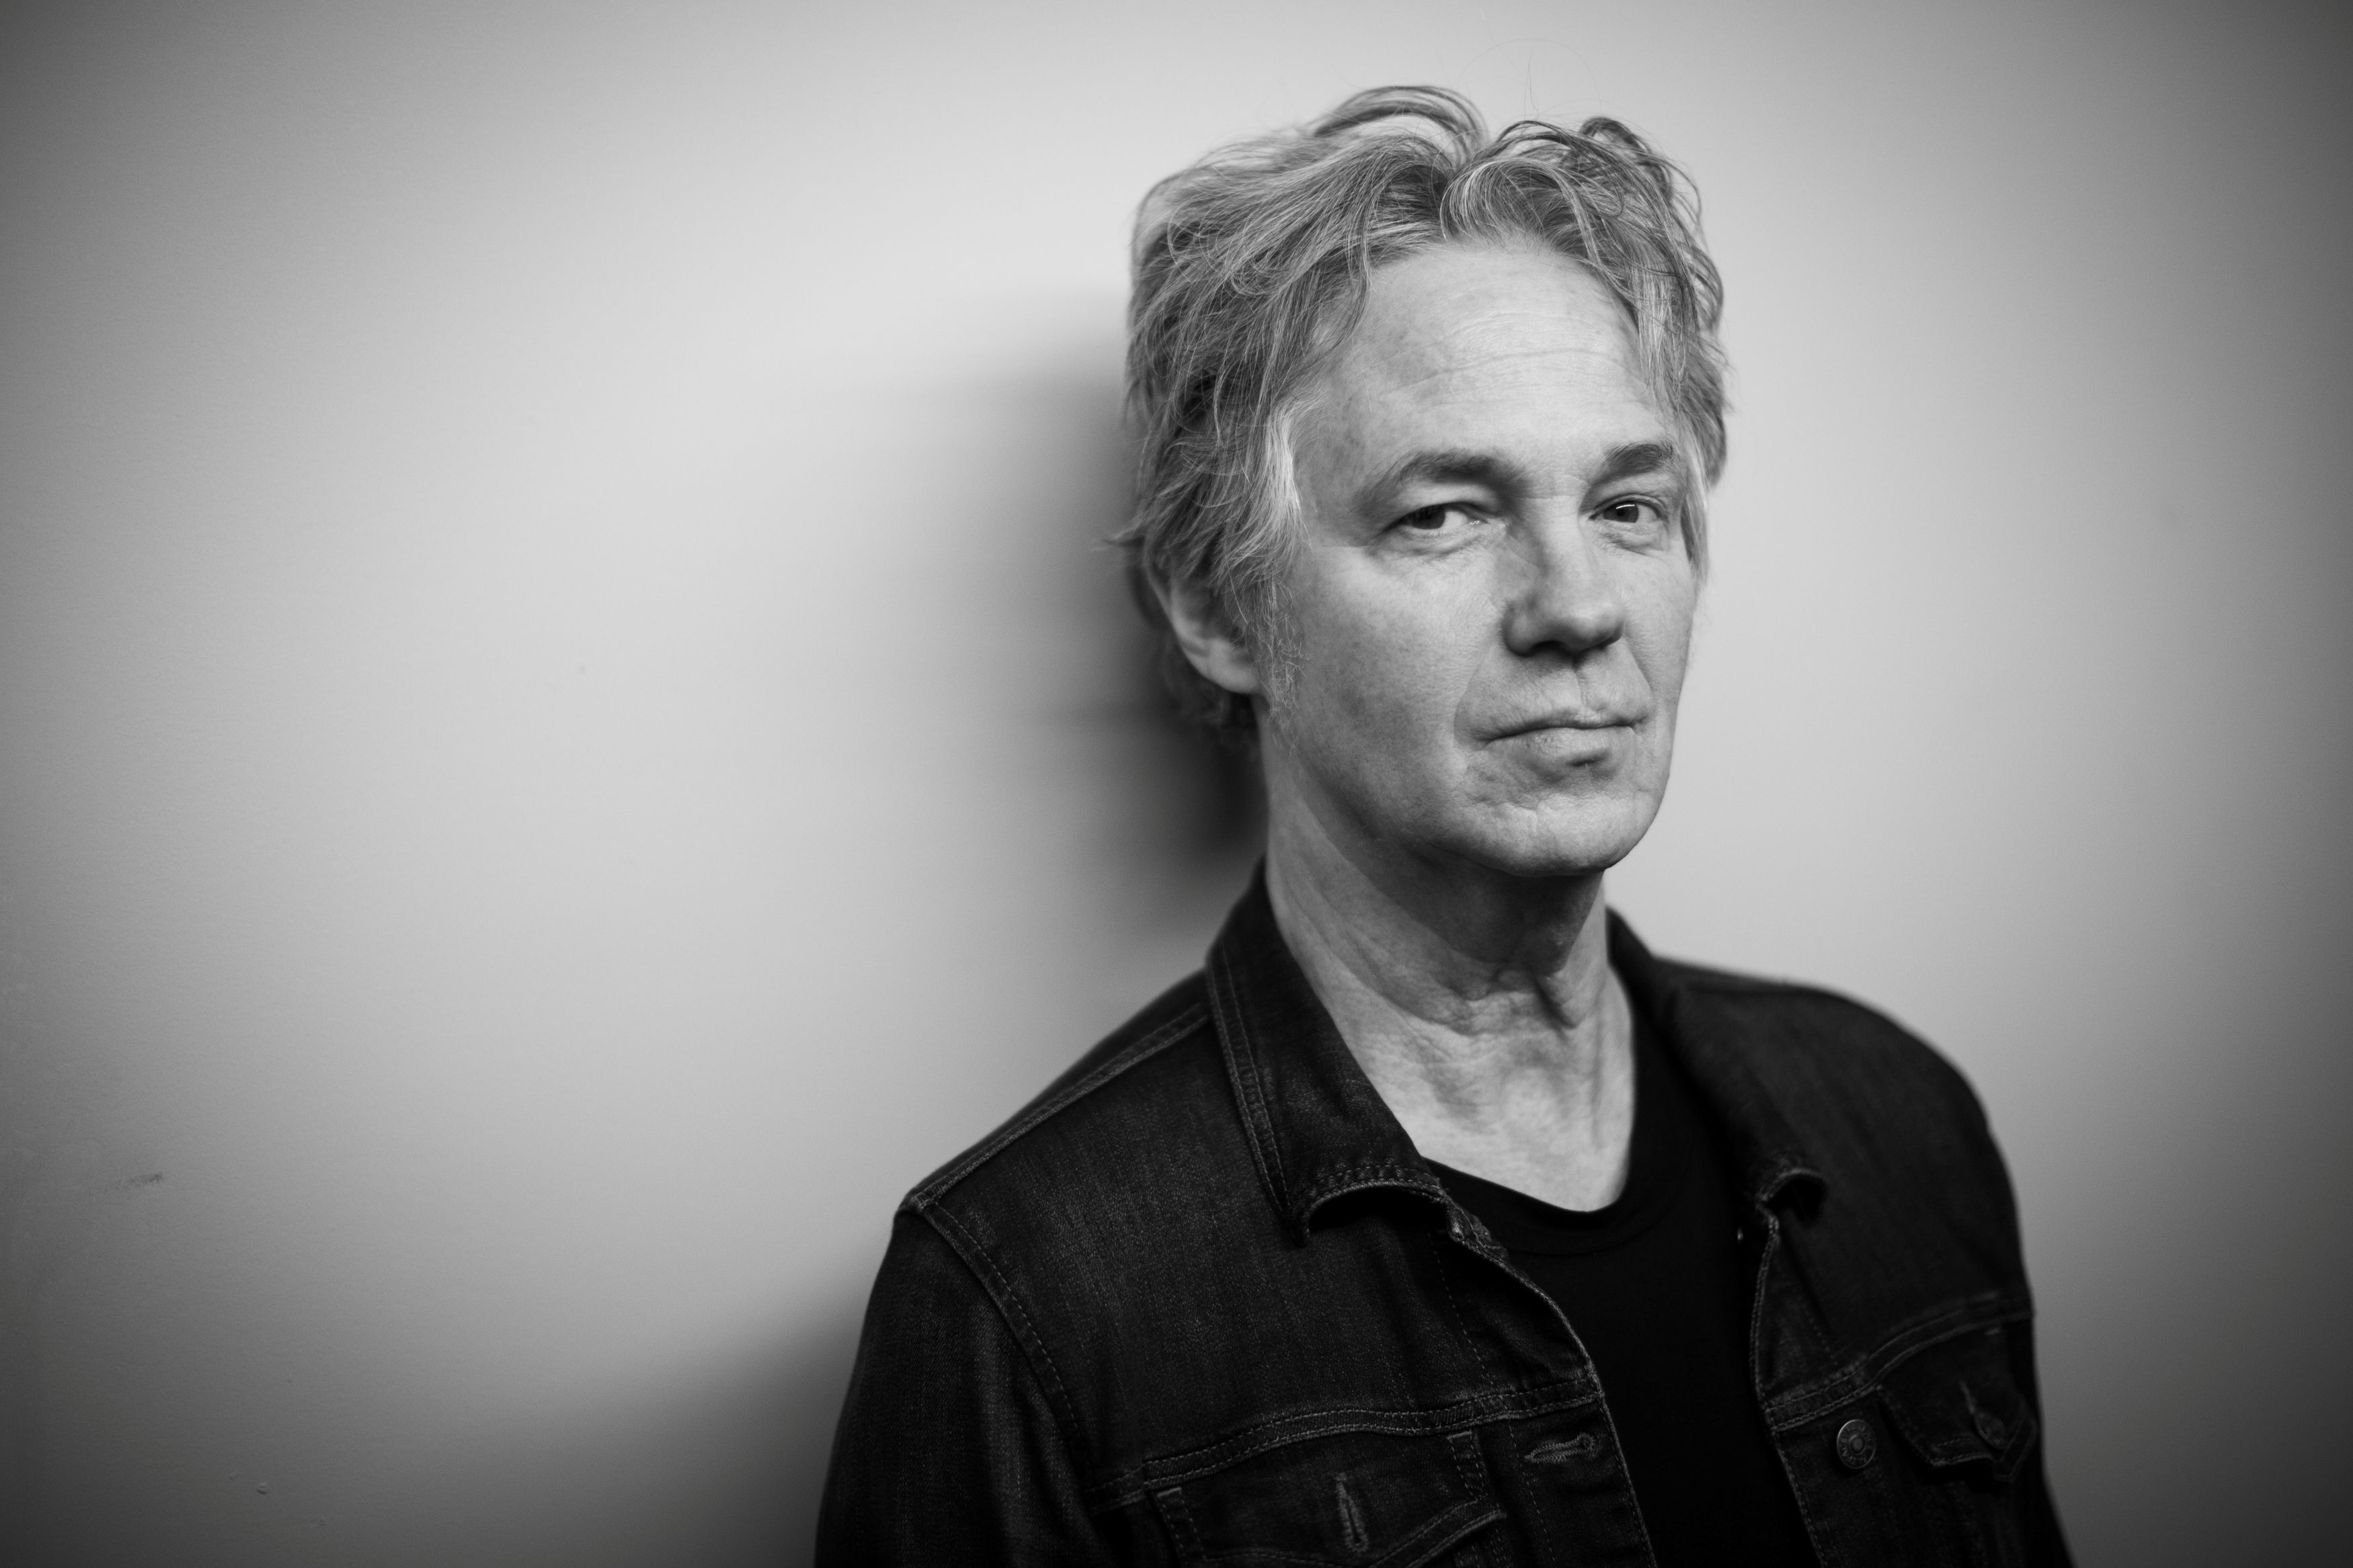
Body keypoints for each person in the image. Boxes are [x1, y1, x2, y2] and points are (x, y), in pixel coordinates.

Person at [816, 86, 2068, 1566]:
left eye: (1629, 506)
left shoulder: (1896, 1122)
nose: (1579, 608)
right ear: (1220, 607)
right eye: (1445, 514)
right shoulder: (1029, 1298)